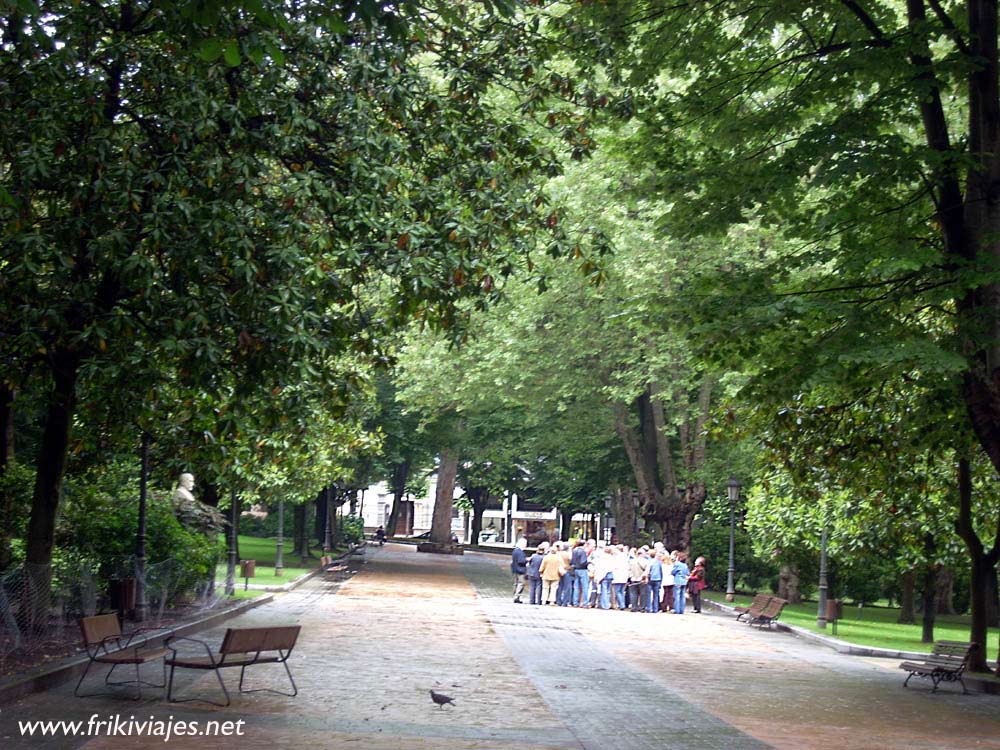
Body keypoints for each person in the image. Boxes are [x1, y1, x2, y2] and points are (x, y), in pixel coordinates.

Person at [629, 547, 650, 612]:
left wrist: (631, 576)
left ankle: (634, 607)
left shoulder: (631, 561)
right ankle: (642, 608)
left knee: (633, 594)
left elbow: (628, 570)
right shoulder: (646, 561)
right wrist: (643, 577)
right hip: (642, 580)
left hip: (633, 579)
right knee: (643, 594)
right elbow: (647, 571)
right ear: (643, 554)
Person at [570, 539, 589, 607]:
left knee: (576, 587)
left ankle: (575, 602)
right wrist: (589, 562)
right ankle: (585, 603)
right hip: (583, 570)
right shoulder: (583, 551)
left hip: (576, 569)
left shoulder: (574, 551)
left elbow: (572, 561)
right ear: (584, 545)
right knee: (585, 587)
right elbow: (583, 562)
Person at [611, 545, 629, 609]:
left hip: (618, 576)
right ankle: (622, 604)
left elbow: (614, 567)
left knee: (617, 591)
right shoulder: (625, 557)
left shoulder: (617, 558)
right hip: (624, 577)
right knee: (622, 591)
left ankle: (621, 605)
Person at [511, 538, 528, 603]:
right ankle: (516, 597)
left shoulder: (515, 550)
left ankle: (515, 596)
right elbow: (521, 561)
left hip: (515, 569)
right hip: (520, 570)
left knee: (515, 583)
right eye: (525, 544)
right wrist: (527, 560)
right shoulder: (520, 552)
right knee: (521, 583)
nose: (526, 546)